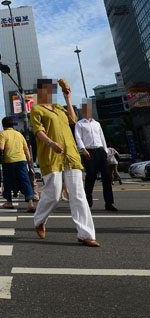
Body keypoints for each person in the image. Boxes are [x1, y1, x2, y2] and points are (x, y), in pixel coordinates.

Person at [30, 78, 99, 247]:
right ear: (39, 92)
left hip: (70, 154)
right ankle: (39, 220)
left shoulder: (59, 108)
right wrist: (51, 143)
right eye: (45, 89)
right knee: (53, 194)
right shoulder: (36, 109)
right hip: (51, 155)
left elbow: (73, 120)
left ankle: (85, 234)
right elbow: (38, 131)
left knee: (78, 194)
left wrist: (67, 98)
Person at [75, 103, 118, 212]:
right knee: (91, 176)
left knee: (106, 177)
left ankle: (109, 203)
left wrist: (105, 150)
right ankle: (87, 201)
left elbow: (102, 137)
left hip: (100, 151)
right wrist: (83, 149)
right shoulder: (79, 124)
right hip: (88, 152)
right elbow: (78, 137)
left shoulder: (97, 124)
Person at [0, 117, 35, 212]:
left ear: (3, 125)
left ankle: (9, 202)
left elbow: (1, 147)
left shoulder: (3, 133)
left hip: (8, 161)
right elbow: (26, 149)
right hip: (21, 160)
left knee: (8, 182)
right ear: (13, 125)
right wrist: (29, 161)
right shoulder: (19, 134)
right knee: (25, 180)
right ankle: (30, 202)